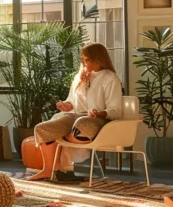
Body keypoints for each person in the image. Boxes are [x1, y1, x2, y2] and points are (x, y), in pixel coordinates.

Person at [31, 43, 123, 181]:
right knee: (42, 129)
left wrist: (99, 113)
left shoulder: (111, 78)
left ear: (98, 59)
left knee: (81, 124)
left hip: (96, 120)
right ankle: (48, 170)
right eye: (83, 59)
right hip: (74, 117)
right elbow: (72, 102)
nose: (84, 62)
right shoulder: (79, 77)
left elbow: (115, 110)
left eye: (87, 59)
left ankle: (62, 167)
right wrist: (66, 105)